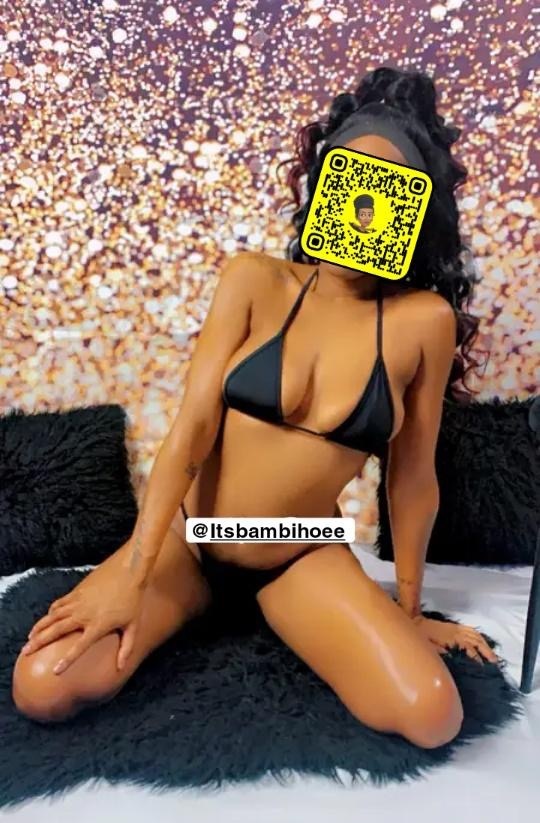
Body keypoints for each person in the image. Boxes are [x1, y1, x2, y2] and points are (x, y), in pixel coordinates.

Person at [13, 66, 497, 744]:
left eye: (389, 192)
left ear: (414, 213)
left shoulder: (423, 323)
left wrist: (412, 612)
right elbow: (191, 431)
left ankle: (268, 611)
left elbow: (413, 479)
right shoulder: (255, 281)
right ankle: (184, 600)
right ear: (323, 187)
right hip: (191, 540)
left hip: (296, 558)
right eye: (350, 182)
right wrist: (133, 573)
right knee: (44, 685)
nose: (365, 206)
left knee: (432, 715)